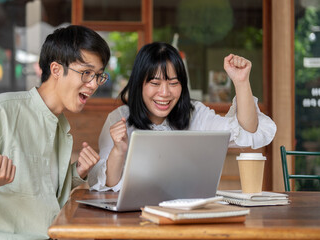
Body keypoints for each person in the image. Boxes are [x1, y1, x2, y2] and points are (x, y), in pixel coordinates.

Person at [0, 25, 110, 239]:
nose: (93, 85)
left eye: (99, 76)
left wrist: (76, 172)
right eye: (86, 73)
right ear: (56, 70)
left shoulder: (59, 124)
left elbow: (41, 195)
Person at [88, 42, 276, 192]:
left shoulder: (196, 114)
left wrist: (241, 81)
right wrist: (119, 150)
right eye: (155, 83)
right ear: (139, 85)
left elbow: (247, 130)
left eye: (173, 83)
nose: (164, 93)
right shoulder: (118, 118)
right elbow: (108, 185)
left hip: (190, 218)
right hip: (134, 220)